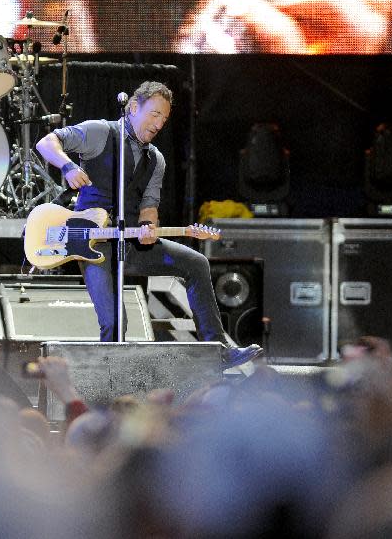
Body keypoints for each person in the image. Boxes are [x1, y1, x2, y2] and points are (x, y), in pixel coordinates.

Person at [35, 81, 264, 368]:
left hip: (130, 241)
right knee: (114, 322)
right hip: (92, 243)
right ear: (133, 108)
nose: (159, 124)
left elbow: (149, 205)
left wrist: (147, 227)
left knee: (196, 263)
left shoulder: (156, 159)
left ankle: (217, 352)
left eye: (164, 119)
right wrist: (67, 166)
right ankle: (108, 388)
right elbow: (46, 142)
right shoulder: (100, 132)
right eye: (154, 114)